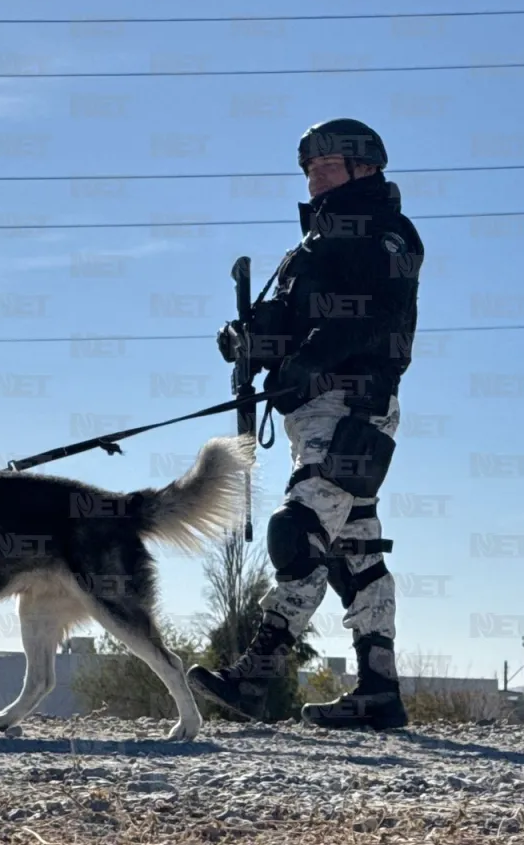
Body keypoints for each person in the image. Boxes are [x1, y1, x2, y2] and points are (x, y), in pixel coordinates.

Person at [187, 118, 425, 730]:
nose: (317, 175)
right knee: (358, 552)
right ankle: (379, 691)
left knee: (299, 532)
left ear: (366, 167)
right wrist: (248, 340)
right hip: (310, 411)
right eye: (310, 166)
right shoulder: (310, 249)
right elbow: (287, 324)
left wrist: (313, 357)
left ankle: (253, 677)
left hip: (355, 405)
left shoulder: (387, 234)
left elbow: (380, 317)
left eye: (330, 164)